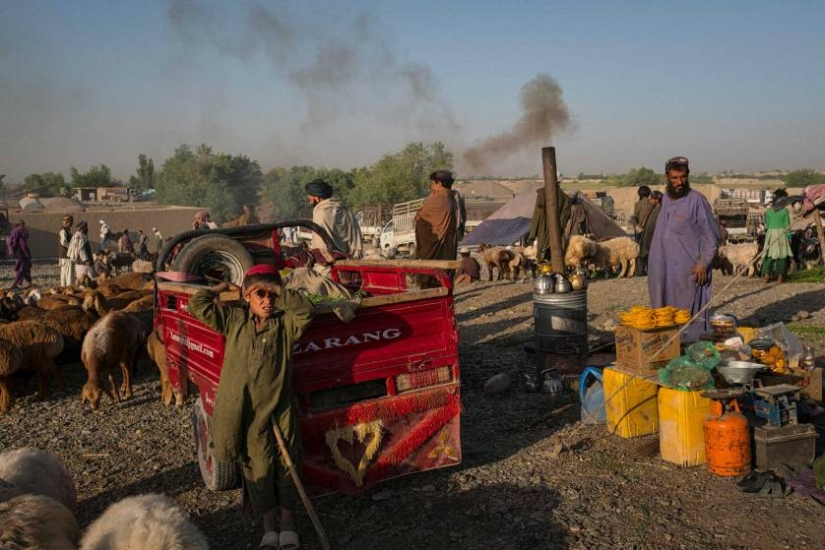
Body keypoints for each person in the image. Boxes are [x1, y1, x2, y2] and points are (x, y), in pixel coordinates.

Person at [188, 265, 316, 550]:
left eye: (272, 296)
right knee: (258, 467)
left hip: (279, 410)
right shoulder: (234, 321)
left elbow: (307, 310)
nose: (267, 301)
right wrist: (221, 289)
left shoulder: (284, 325)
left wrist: (279, 291)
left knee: (287, 465)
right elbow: (197, 304)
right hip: (248, 413)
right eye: (260, 294)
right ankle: (268, 524)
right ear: (247, 296)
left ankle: (287, 523)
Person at [648, 156, 719, 342]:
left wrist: (703, 263)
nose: (679, 182)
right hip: (662, 270)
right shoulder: (665, 200)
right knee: (664, 316)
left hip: (687, 272)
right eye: (674, 178)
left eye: (683, 177)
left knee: (689, 320)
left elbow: (712, 236)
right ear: (667, 177)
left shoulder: (697, 201)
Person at [414, 170, 459, 287]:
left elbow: (420, 219)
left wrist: (419, 213)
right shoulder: (452, 198)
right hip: (447, 246)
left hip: (435, 247)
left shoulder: (438, 199)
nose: (431, 186)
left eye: (432, 183)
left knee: (431, 276)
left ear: (438, 184)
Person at [305, 179, 364, 260]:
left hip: (326, 266)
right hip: (346, 262)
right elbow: (355, 241)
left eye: (310, 199)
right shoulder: (345, 210)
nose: (309, 202)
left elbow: (320, 246)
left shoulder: (319, 212)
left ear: (317, 198)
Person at [527, 182, 571, 262]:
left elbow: (538, 214)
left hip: (545, 230)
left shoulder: (542, 194)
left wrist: (533, 233)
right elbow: (566, 216)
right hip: (557, 232)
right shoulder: (565, 198)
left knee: (543, 252)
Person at [760, 188, 792, 284]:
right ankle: (780, 277)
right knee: (781, 256)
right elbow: (787, 226)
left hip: (770, 235)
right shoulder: (785, 211)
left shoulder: (769, 211)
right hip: (781, 235)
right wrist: (789, 237)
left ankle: (766, 276)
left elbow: (768, 225)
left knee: (768, 256)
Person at [637, 190, 662, 276]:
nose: (650, 200)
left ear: (657, 200)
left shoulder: (660, 211)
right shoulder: (654, 209)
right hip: (648, 237)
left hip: (653, 239)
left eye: (652, 199)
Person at [67, 221, 96, 285]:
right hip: (83, 264)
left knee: (81, 282)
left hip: (80, 263)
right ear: (83, 229)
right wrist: (86, 260)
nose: (87, 230)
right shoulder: (80, 237)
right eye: (86, 228)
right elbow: (81, 249)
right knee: (89, 281)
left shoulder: (79, 236)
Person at [8, 220, 32, 288]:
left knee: (25, 267)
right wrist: (27, 253)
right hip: (21, 253)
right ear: (20, 225)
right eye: (22, 225)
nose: (23, 226)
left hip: (17, 253)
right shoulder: (20, 232)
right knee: (21, 268)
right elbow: (23, 244)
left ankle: (28, 282)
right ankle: (16, 284)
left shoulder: (14, 232)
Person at [58, 215, 74, 287]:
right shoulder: (63, 230)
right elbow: (63, 242)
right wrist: (72, 247)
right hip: (66, 257)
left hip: (64, 256)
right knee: (69, 276)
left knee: (64, 275)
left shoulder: (66, 230)